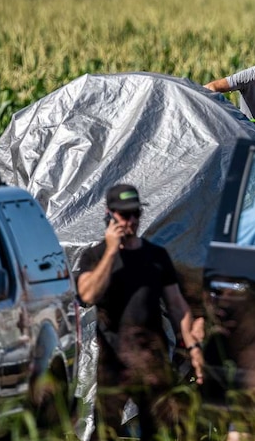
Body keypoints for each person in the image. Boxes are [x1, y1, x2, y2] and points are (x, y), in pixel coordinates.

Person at [76, 184, 204, 440]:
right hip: (114, 361)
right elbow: (88, 295)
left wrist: (193, 348)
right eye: (124, 214)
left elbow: (177, 305)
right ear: (109, 214)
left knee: (158, 430)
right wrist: (112, 251)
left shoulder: (156, 256)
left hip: (152, 361)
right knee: (105, 432)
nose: (131, 221)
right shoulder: (95, 256)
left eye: (135, 213)